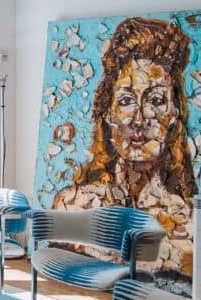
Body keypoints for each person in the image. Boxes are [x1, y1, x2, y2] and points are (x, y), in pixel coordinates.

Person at [53, 17, 197, 275]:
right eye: (126, 100)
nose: (139, 119)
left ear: (175, 112)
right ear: (108, 111)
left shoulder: (188, 221)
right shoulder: (74, 206)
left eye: (155, 100)